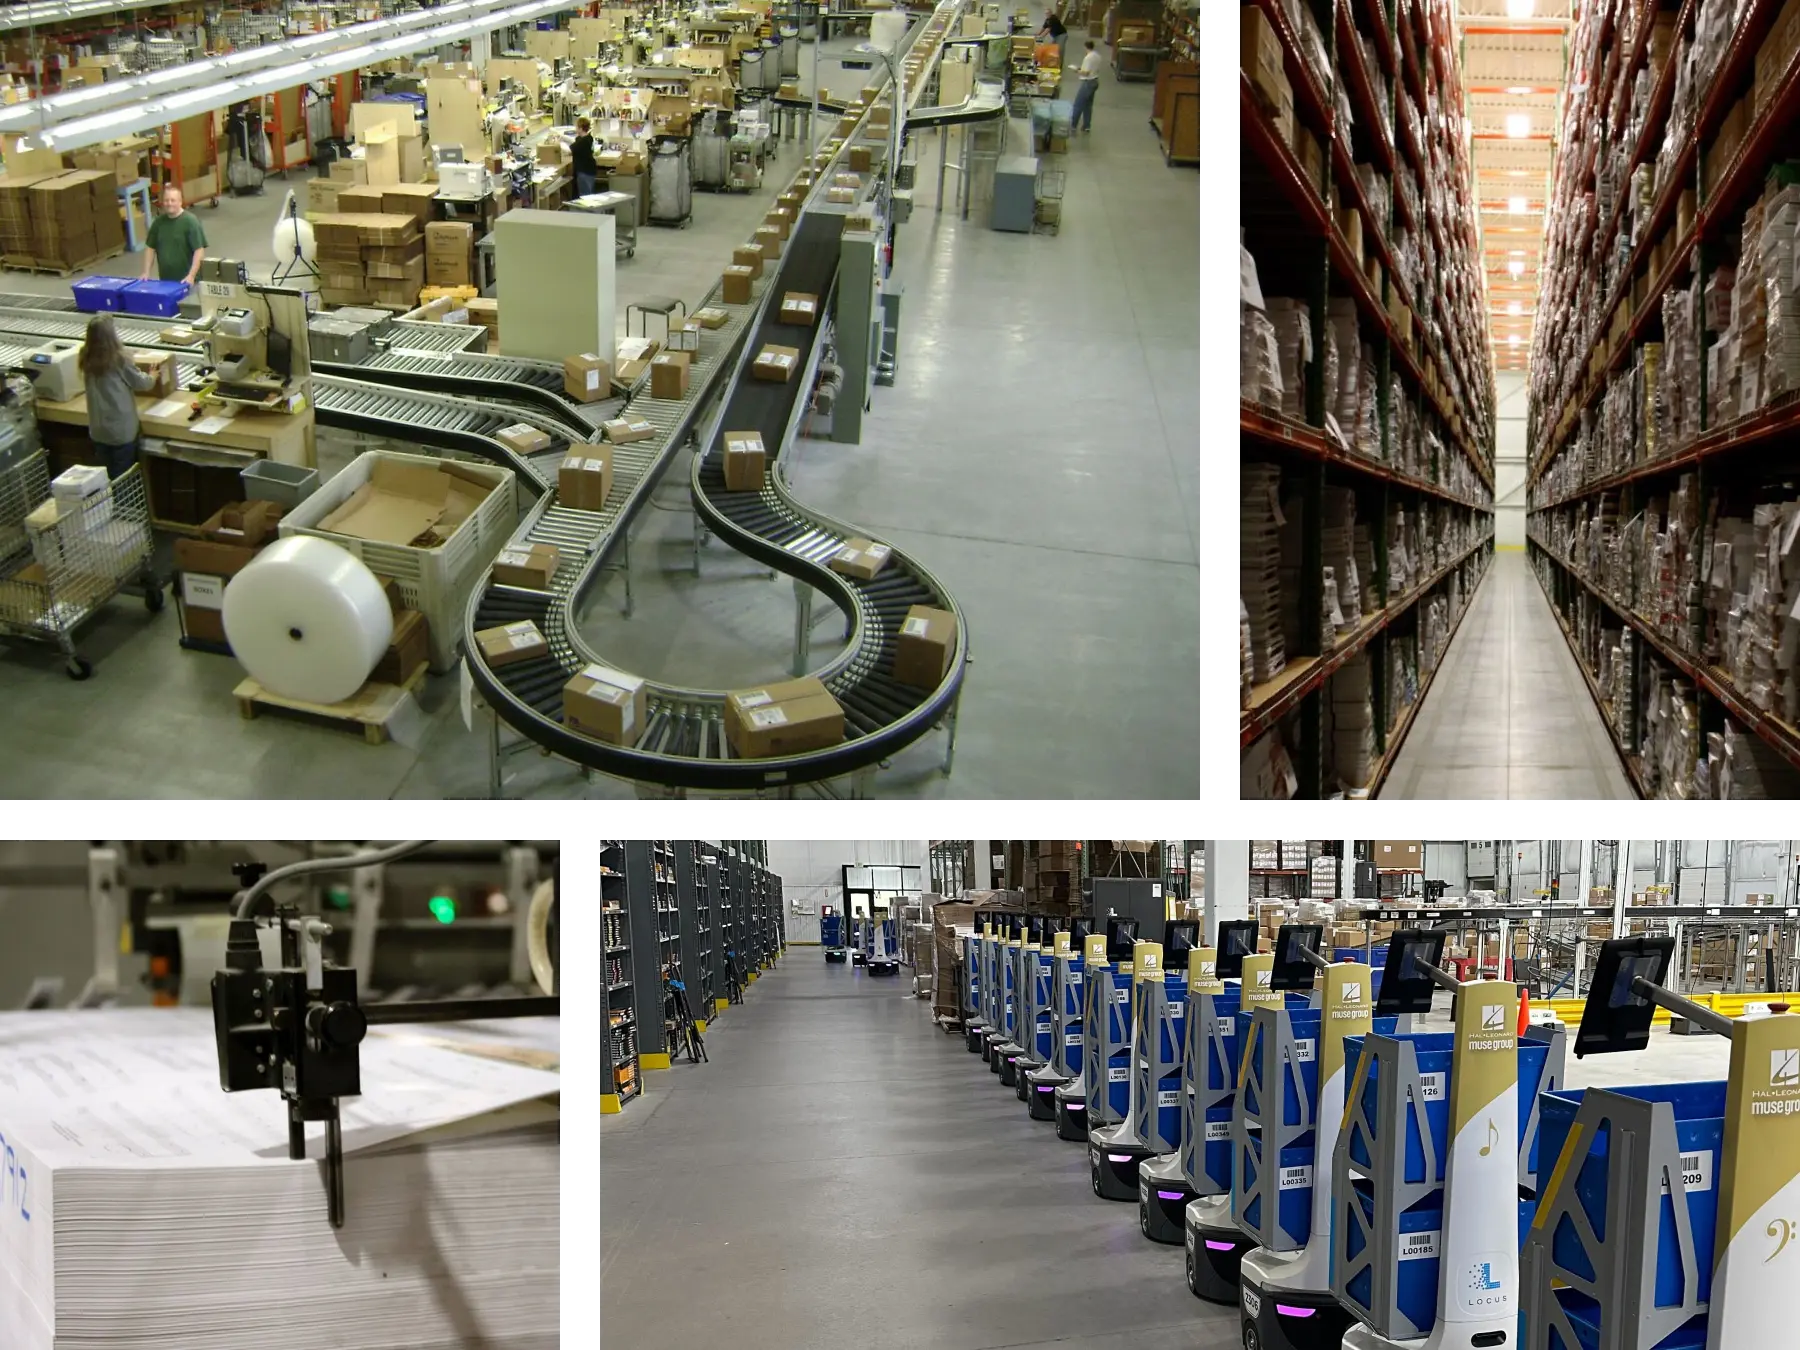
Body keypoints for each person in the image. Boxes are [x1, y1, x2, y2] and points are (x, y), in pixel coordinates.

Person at [79, 315, 156, 481]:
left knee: (106, 480)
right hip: (120, 432)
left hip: (98, 431)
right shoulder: (118, 359)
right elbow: (142, 383)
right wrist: (153, 376)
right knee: (123, 481)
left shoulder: (85, 356)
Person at [141, 185, 206, 286]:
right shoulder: (158, 223)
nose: (169, 203)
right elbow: (150, 248)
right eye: (166, 200)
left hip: (188, 282)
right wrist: (146, 272)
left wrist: (191, 275)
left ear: (180, 202)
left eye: (173, 200)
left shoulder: (191, 222)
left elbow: (199, 251)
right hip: (166, 282)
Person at [1072, 38, 1103, 134]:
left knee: (1078, 105)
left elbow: (1086, 73)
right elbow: (1094, 69)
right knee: (1088, 106)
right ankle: (1086, 126)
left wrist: (1076, 70)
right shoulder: (1097, 56)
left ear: (1085, 47)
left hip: (1087, 83)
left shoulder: (1088, 58)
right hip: (1095, 81)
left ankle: (1073, 125)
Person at [571, 116, 599, 198]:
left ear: (580, 128)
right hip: (589, 171)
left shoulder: (583, 142)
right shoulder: (588, 138)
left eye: (576, 127)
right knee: (589, 194)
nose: (575, 128)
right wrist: (562, 137)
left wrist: (558, 146)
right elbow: (574, 143)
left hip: (584, 172)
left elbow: (570, 149)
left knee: (585, 197)